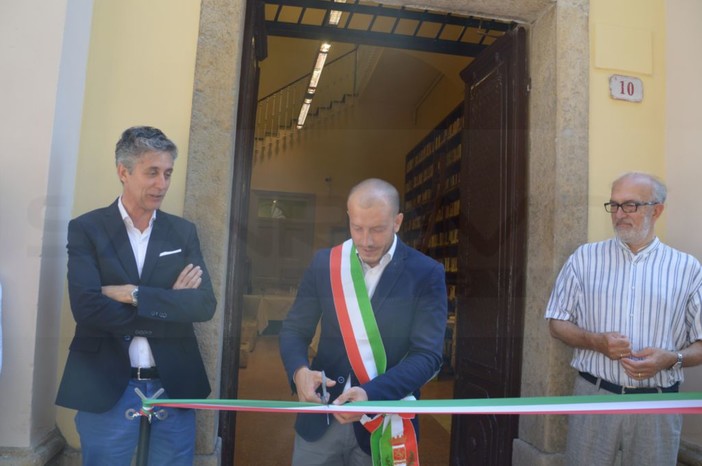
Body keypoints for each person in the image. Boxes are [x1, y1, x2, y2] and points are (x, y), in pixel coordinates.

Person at [56, 126, 217, 466]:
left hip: (172, 382)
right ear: (123, 172)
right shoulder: (87, 229)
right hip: (106, 385)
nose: (162, 184)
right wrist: (168, 302)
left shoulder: (182, 232)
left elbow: (203, 305)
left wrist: (135, 294)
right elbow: (86, 308)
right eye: (152, 173)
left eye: (168, 173)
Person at [279, 178, 448, 466]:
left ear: (397, 222)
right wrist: (299, 372)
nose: (366, 240)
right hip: (321, 420)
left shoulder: (426, 273)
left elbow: (428, 355)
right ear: (349, 218)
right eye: (357, 228)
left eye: (378, 229)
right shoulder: (325, 263)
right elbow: (295, 329)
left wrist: (372, 394)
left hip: (385, 423)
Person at [545, 172, 702, 466]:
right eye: (614, 205)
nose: (619, 214)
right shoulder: (584, 258)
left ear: (656, 210)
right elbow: (556, 322)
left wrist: (671, 358)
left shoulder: (687, 268)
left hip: (658, 404)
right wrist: (596, 341)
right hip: (595, 397)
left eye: (630, 205)